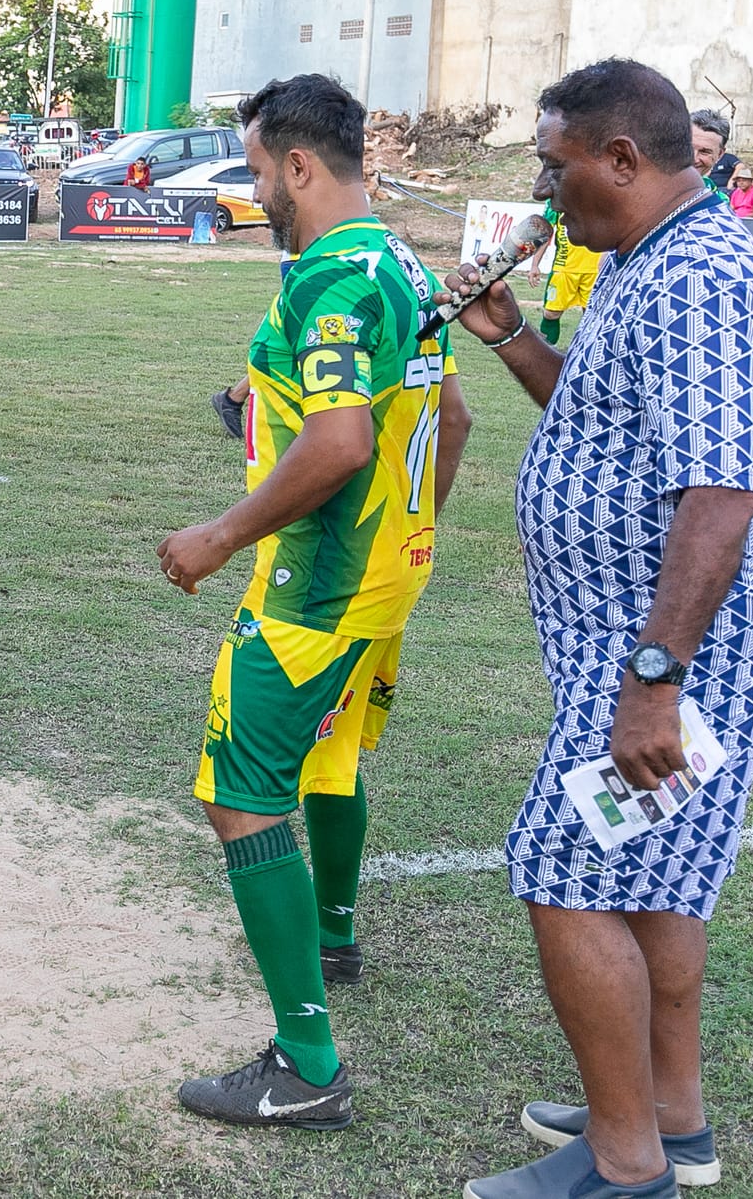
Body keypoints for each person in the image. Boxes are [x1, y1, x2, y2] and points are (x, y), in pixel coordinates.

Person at [446, 59, 753, 1199]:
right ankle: (670, 1119)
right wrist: (507, 336)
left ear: (619, 158)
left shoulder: (696, 272)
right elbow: (611, 431)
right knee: (653, 878)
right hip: (630, 639)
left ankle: (623, 1161)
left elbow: (721, 490)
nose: (547, 200)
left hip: (679, 647)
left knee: (560, 866)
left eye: (555, 171)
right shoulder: (643, 262)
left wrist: (654, 676)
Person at [157, 72, 471, 1133]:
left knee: (239, 788)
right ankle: (330, 937)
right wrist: (405, 531)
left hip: (317, 584)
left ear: (298, 164)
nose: (255, 196)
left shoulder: (328, 283)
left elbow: (337, 443)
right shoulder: (399, 263)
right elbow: (453, 420)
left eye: (255, 174)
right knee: (324, 757)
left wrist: (216, 534)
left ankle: (305, 1060)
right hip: (389, 568)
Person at [534, 201, 602, 346]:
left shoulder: (601, 192)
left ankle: (590, 356)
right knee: (551, 314)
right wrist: (535, 265)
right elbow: (546, 234)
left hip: (594, 269)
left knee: (592, 317)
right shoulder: (557, 197)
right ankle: (545, 357)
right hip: (564, 268)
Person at [688, 110, 733, 199]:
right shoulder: (654, 187)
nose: (693, 159)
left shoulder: (719, 201)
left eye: (704, 152)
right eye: (688, 148)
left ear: (719, 154)